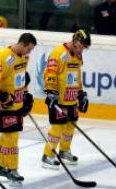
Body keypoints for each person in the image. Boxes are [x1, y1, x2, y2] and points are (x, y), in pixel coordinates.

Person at [0, 33, 36, 187]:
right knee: (12, 138)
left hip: (18, 103)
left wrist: (26, 96)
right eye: (29, 48)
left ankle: (0, 166)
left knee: (7, 136)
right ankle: (11, 169)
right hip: (5, 103)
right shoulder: (3, 55)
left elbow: (21, 77)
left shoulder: (24, 58)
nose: (29, 52)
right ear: (23, 43)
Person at [41, 29, 90, 169]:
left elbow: (77, 76)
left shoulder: (78, 55)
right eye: (81, 46)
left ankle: (64, 151)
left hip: (72, 98)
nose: (82, 49)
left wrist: (81, 94)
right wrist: (51, 92)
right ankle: (48, 155)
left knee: (70, 126)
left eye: (84, 47)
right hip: (59, 98)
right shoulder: (59, 52)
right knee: (57, 127)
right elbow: (50, 72)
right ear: (75, 40)